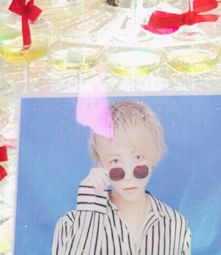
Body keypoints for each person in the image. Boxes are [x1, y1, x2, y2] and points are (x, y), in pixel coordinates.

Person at [52, 100, 191, 255]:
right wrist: (88, 213)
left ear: (154, 157)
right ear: (101, 164)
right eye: (115, 161)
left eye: (138, 157)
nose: (129, 176)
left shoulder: (175, 225)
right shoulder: (68, 225)